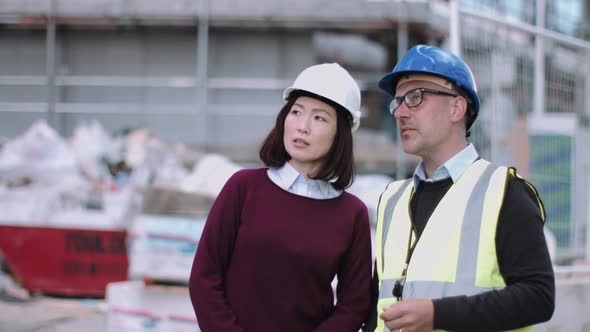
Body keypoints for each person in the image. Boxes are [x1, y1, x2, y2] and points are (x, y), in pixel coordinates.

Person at [364, 45, 555, 332]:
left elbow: (538, 297)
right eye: (398, 101)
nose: (400, 112)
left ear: (456, 108)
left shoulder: (504, 191)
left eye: (415, 98)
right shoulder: (392, 199)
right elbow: (376, 305)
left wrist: (437, 314)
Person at [189, 63, 372, 332]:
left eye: (319, 118)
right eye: (296, 112)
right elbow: (204, 278)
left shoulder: (351, 213)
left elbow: (354, 306)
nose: (303, 126)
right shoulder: (244, 188)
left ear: (340, 134)